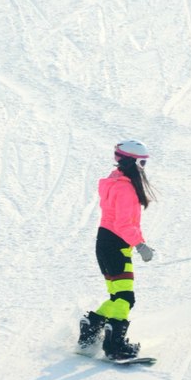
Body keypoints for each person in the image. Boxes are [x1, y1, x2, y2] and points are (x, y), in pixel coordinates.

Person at [77, 140, 156, 360]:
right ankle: (115, 346)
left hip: (105, 243)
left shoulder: (115, 182)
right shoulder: (125, 188)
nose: (143, 168)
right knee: (125, 298)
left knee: (116, 296)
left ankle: (91, 328)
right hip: (116, 245)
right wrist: (140, 245)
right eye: (142, 162)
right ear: (131, 162)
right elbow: (123, 224)